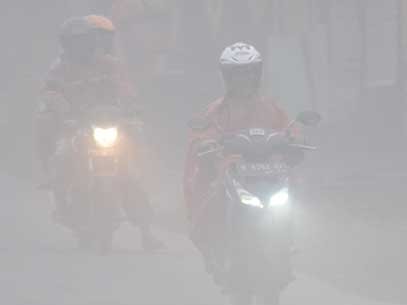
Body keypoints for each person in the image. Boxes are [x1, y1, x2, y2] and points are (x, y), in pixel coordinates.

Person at [36, 16, 164, 251]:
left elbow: (126, 89)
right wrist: (63, 112)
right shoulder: (60, 68)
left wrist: (132, 107)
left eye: (84, 42)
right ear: (66, 45)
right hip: (76, 126)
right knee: (59, 149)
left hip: (108, 123)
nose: (81, 48)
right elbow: (50, 93)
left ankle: (147, 232)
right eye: (75, 43)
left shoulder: (110, 64)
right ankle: (56, 186)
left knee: (129, 171)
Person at [184, 42, 292, 269]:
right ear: (227, 77)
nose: (244, 80)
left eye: (249, 73)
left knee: (294, 192)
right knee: (210, 196)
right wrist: (205, 143)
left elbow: (288, 129)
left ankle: (285, 241)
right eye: (238, 74)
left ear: (257, 75)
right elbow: (202, 134)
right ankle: (215, 245)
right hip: (230, 169)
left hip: (269, 170)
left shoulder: (270, 107)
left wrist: (296, 140)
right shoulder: (216, 110)